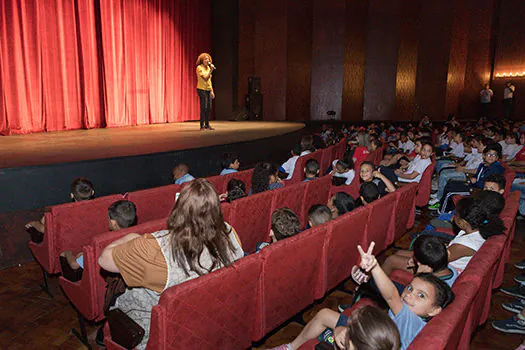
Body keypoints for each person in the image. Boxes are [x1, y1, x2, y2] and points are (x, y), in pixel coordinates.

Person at [98, 179, 244, 349]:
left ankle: (105, 334)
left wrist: (132, 237)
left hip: (155, 332)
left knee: (114, 295)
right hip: (208, 320)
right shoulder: (230, 233)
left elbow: (103, 259)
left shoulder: (154, 249)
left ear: (178, 209)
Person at [270, 242, 454, 350]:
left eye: (421, 295)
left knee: (332, 330)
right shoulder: (415, 317)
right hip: (372, 336)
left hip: (368, 343)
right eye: (410, 288)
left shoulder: (410, 319)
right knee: (325, 314)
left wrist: (374, 267)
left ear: (434, 310)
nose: (410, 295)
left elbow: (391, 296)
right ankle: (291, 347)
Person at [383, 195, 505, 276]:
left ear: (462, 222)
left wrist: (415, 260)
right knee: (399, 253)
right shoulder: (475, 229)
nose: (453, 217)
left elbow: (437, 260)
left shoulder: (465, 244)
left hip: (443, 273)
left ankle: (374, 288)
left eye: (455, 214)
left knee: (391, 260)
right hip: (443, 261)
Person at [59, 200, 138, 281]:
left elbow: (74, 265)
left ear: (113, 223)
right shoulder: (137, 236)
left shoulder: (102, 243)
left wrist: (68, 252)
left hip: (98, 282)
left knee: (63, 255)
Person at [25, 177, 95, 237]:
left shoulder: (64, 213)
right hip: (84, 236)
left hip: (68, 246)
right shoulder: (98, 208)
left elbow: (46, 230)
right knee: (45, 219)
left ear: (71, 195)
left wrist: (34, 224)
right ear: (92, 192)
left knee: (45, 220)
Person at [196, 53, 215, 130]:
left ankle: (207, 124)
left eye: (208, 59)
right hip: (201, 89)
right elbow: (205, 78)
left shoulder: (208, 68)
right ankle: (202, 125)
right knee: (203, 107)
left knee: (209, 107)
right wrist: (211, 70)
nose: (207, 60)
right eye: (205, 59)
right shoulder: (199, 68)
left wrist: (212, 91)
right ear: (202, 60)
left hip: (208, 89)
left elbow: (209, 81)